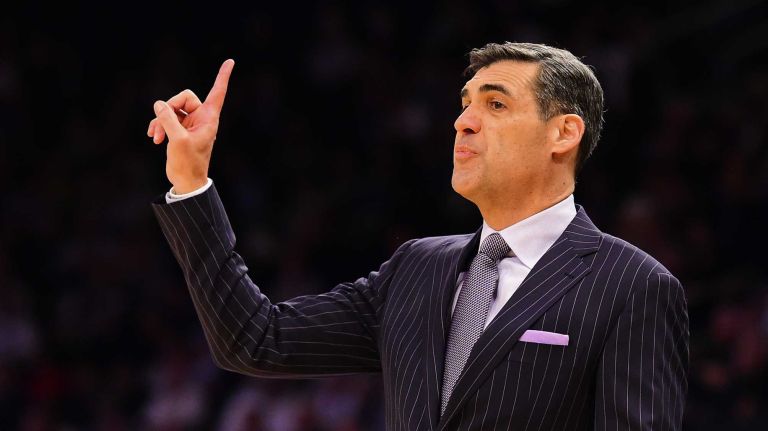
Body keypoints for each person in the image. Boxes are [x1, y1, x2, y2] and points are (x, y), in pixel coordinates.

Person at [147, 42, 688, 430]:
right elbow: (254, 338)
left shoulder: (633, 287)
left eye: (495, 105)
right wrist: (191, 183)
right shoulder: (416, 268)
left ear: (563, 133)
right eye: (465, 104)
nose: (463, 122)